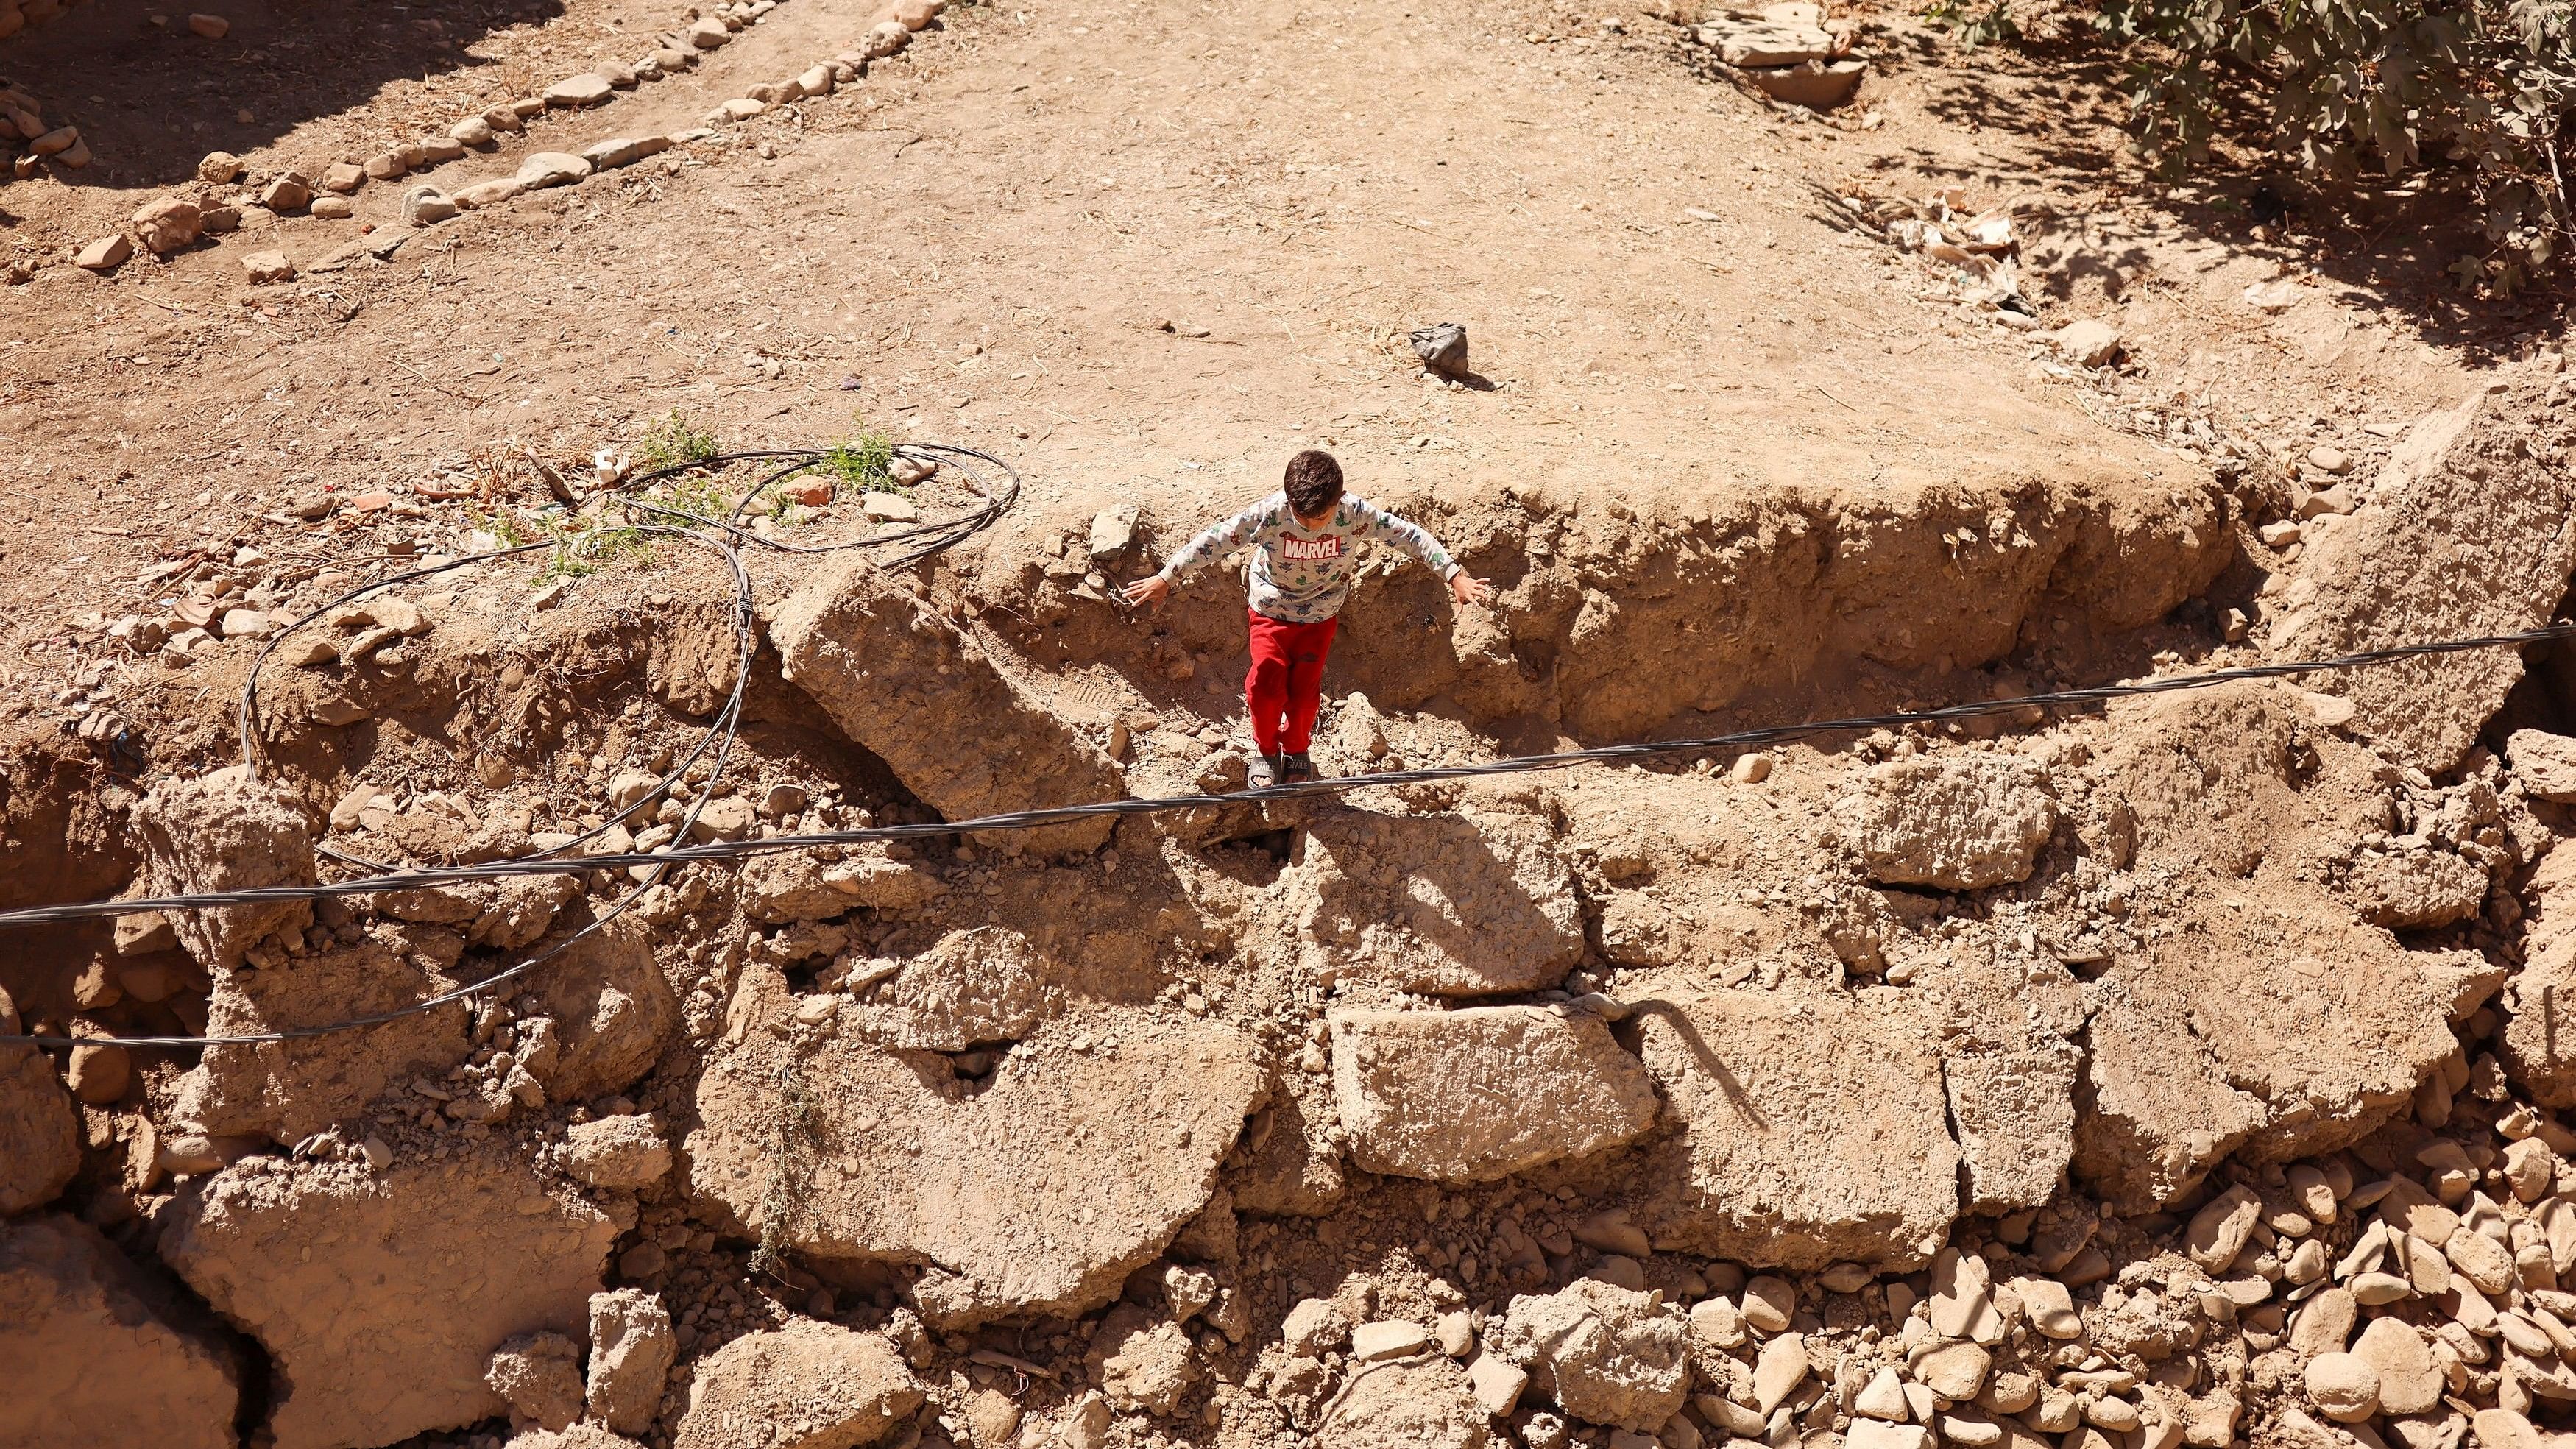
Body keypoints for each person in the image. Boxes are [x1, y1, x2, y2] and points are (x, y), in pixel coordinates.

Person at [1122, 450, 1492, 786]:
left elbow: (1410, 536)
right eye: (1302, 517)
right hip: (1271, 611)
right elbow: (1216, 540)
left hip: (1320, 617)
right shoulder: (1271, 514)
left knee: (1304, 695)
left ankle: (1297, 751)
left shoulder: (1356, 515)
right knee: (1265, 685)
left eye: (1321, 517)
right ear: (1289, 501)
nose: (1311, 525)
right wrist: (1166, 577)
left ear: (1338, 500)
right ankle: (1266, 752)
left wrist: (1454, 574)